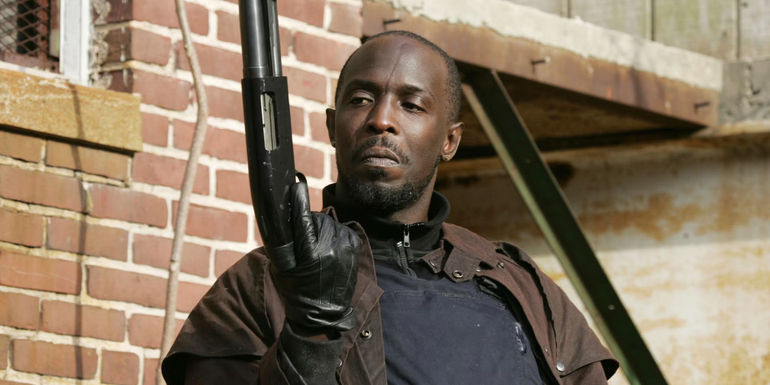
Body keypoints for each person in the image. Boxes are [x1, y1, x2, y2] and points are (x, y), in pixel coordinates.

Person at [162, 30, 618, 385]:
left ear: (450, 140)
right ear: (331, 125)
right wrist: (310, 332)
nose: (381, 119)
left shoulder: (520, 286)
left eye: (412, 104)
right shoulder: (258, 286)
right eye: (361, 100)